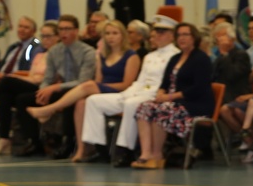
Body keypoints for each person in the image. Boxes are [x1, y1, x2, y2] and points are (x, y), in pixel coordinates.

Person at [26, 19, 140, 160]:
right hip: (101, 91)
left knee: (88, 85)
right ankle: (82, 149)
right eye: (108, 33)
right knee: (80, 103)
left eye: (115, 33)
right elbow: (99, 80)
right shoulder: (102, 56)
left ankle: (50, 109)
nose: (111, 36)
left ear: (122, 35)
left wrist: (98, 87)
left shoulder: (131, 56)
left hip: (122, 92)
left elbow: (127, 84)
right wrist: (97, 87)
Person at [80, 14, 180, 166]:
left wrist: (135, 95)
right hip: (137, 93)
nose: (156, 37)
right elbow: (140, 81)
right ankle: (99, 147)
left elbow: (165, 84)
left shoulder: (175, 56)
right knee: (93, 100)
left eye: (162, 33)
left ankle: (124, 149)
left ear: (171, 36)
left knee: (131, 104)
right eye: (155, 33)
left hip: (153, 96)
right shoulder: (150, 56)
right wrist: (125, 93)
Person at [130, 22, 214, 169]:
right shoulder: (175, 58)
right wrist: (161, 93)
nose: (182, 38)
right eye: (179, 35)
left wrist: (170, 97)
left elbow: (199, 88)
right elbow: (164, 83)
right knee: (145, 107)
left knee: (163, 110)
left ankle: (157, 155)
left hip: (194, 103)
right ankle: (146, 154)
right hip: (172, 101)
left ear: (194, 37)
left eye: (185, 35)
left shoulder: (201, 59)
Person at [15, 14, 97, 156]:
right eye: (60, 29)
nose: (63, 33)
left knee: (71, 99)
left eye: (67, 29)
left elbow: (83, 80)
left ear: (76, 31)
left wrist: (54, 87)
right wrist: (43, 91)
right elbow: (48, 78)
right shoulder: (54, 51)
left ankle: (68, 141)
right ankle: (34, 141)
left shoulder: (88, 52)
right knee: (23, 99)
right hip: (58, 88)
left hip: (78, 89)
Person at [0, 21, 56, 155]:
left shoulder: (34, 46)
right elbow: (31, 73)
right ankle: (4, 138)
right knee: (5, 96)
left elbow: (43, 76)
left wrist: (15, 77)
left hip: (43, 86)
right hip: (28, 82)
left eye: (48, 36)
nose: (45, 39)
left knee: (6, 82)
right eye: (43, 36)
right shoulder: (35, 53)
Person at [211, 22, 252, 105]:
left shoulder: (241, 54)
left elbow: (231, 75)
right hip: (221, 94)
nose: (219, 39)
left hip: (235, 95)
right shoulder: (220, 55)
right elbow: (212, 76)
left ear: (232, 38)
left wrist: (225, 54)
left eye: (222, 36)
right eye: (217, 37)